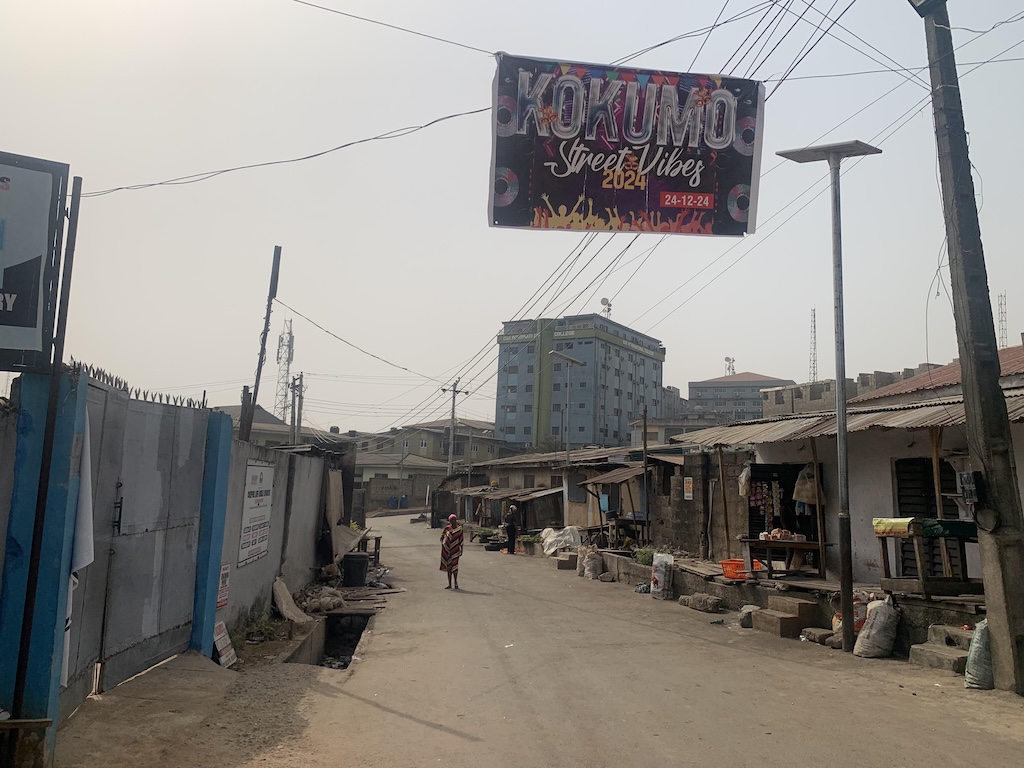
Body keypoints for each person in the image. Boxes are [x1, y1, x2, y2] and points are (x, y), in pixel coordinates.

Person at [439, 513, 463, 589]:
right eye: (451, 520)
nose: (453, 521)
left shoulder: (459, 529)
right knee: (449, 567)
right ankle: (449, 584)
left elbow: (461, 540)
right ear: (449, 521)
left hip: (456, 551)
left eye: (454, 519)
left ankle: (456, 583)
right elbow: (442, 537)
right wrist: (444, 544)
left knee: (455, 567)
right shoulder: (447, 529)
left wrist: (461, 550)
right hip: (448, 551)